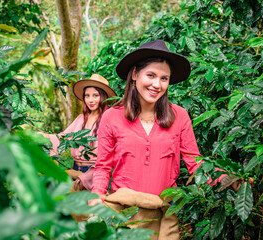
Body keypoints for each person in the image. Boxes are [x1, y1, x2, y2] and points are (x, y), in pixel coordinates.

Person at [90, 40, 225, 239]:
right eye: (151, 75)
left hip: (164, 213)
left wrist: (227, 178)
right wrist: (97, 196)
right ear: (135, 74)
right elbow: (103, 166)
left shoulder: (179, 116)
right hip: (124, 213)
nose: (157, 84)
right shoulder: (111, 116)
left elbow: (195, 162)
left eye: (164, 78)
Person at [43, 74, 116, 191]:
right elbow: (63, 138)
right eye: (87, 96)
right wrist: (44, 137)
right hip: (75, 169)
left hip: (95, 172)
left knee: (91, 205)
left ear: (103, 97)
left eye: (95, 95)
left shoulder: (110, 120)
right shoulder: (80, 119)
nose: (90, 100)